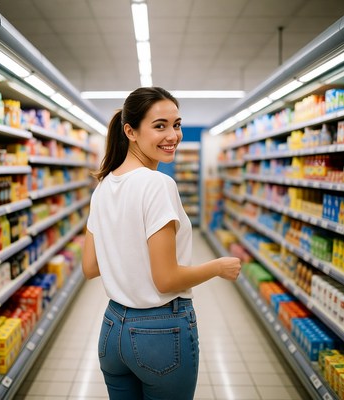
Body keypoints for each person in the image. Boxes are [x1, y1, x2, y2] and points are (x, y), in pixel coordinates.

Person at [82, 87, 241, 400]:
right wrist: (218, 267)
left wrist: (126, 258)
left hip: (113, 329)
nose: (173, 135)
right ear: (131, 131)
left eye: (176, 124)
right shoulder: (157, 183)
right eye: (160, 126)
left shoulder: (103, 187)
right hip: (160, 333)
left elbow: (90, 267)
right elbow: (166, 279)